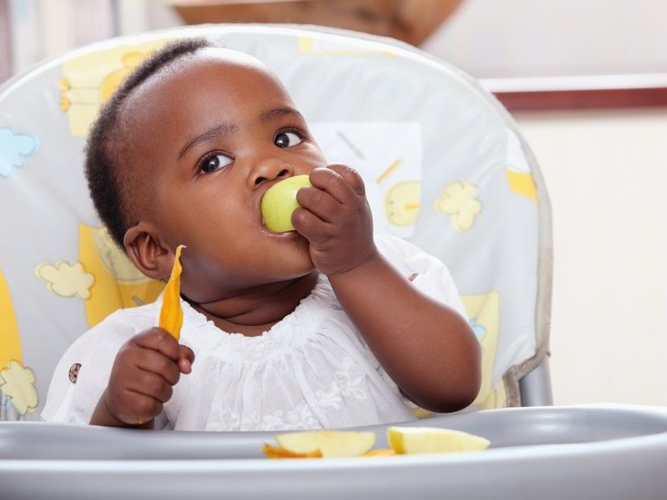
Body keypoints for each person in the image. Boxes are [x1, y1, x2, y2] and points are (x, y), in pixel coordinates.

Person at [41, 38, 481, 431]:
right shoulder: (140, 351)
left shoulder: (383, 272)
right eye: (213, 161)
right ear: (155, 249)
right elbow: (84, 477)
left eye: (286, 137)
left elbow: (453, 389)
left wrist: (356, 264)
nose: (272, 166)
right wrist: (120, 415)